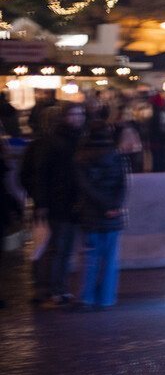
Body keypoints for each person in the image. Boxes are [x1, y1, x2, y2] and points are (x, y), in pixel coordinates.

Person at [27, 102, 86, 306]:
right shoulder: (54, 142)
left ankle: (58, 289)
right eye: (73, 114)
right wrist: (41, 202)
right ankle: (53, 290)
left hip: (69, 202)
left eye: (80, 114)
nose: (78, 118)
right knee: (58, 248)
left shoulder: (77, 139)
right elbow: (40, 174)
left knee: (63, 248)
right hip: (58, 202)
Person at [73, 120, 128, 311]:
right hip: (113, 217)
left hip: (91, 216)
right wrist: (115, 206)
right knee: (110, 260)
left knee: (90, 260)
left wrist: (103, 207)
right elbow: (123, 184)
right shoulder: (117, 156)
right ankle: (106, 297)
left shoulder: (82, 157)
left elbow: (86, 188)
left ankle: (86, 297)